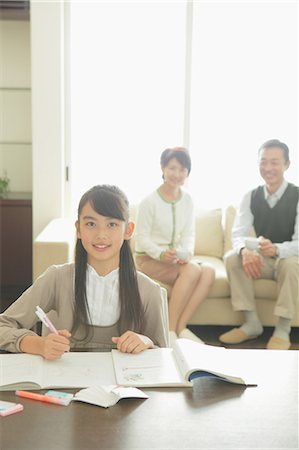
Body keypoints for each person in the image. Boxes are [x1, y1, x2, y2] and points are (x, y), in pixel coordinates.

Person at [0, 185, 168, 359]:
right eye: (91, 224)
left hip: (123, 386)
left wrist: (146, 342)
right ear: (79, 228)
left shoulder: (149, 290)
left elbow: (164, 357)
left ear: (128, 230)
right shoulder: (56, 279)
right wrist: (39, 344)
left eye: (112, 224)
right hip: (62, 384)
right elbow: (3, 325)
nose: (101, 234)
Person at [219, 139, 299, 350]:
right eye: (263, 162)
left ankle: (283, 329)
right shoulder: (251, 196)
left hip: (288, 260)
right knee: (232, 258)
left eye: (275, 162)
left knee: (290, 264)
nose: (268, 168)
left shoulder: (297, 195)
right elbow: (238, 234)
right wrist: (246, 250)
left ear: (287, 164)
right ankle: (252, 323)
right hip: (265, 261)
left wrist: (279, 249)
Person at [134, 147, 215, 345]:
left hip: (176, 260)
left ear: (188, 172)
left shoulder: (187, 200)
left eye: (182, 169)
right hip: (148, 259)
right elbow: (141, 237)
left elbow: (189, 234)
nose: (177, 174)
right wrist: (161, 254)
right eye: (172, 168)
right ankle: (168, 330)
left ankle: (181, 327)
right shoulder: (149, 201)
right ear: (162, 168)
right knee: (193, 270)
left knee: (209, 272)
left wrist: (185, 254)